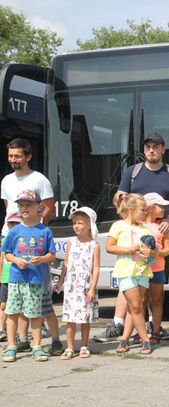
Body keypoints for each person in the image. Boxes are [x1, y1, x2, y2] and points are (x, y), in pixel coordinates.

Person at [94, 131, 169, 343]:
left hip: (159, 232)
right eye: (148, 147)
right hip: (132, 235)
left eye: (155, 146)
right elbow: (120, 196)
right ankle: (118, 324)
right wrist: (121, 201)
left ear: (163, 149)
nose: (151, 150)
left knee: (154, 283)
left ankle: (153, 327)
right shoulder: (132, 171)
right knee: (129, 279)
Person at [1, 138, 62, 356]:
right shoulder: (6, 180)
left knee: (37, 302)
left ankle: (38, 343)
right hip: (11, 241)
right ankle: (18, 341)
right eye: (10, 156)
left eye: (17, 156)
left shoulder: (39, 179)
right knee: (10, 298)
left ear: (28, 156)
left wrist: (34, 232)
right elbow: (9, 209)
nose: (13, 160)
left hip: (34, 248)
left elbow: (49, 208)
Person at [1, 190, 56, 362]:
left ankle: (37, 346)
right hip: (16, 278)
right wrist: (17, 260)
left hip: (35, 280)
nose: (24, 208)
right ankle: (11, 346)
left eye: (28, 205)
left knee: (35, 314)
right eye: (21, 205)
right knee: (12, 312)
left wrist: (41, 259)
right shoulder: (15, 230)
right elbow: (7, 253)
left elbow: (52, 255)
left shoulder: (44, 231)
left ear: (39, 207)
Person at [106, 194, 155, 355]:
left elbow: (154, 251)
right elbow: (109, 247)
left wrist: (151, 252)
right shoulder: (118, 226)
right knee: (135, 306)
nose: (146, 213)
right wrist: (128, 249)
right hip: (126, 270)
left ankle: (125, 339)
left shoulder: (145, 229)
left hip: (142, 270)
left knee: (136, 307)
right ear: (132, 210)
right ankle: (145, 340)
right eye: (143, 210)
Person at [53, 207, 100, 360]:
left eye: (80, 223)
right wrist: (60, 281)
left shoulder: (94, 245)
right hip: (71, 285)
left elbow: (96, 268)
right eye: (74, 223)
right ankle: (70, 347)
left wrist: (93, 288)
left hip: (86, 286)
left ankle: (85, 345)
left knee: (85, 317)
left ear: (89, 225)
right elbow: (66, 263)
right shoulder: (70, 242)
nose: (76, 226)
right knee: (70, 318)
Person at [142, 193, 169, 345]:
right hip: (140, 269)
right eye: (161, 206)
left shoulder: (163, 226)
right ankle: (140, 331)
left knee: (157, 300)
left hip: (158, 268)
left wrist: (158, 253)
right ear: (150, 208)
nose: (164, 209)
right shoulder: (138, 224)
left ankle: (156, 331)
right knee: (141, 300)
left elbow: (168, 249)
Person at [0, 212, 23, 341]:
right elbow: (2, 258)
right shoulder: (4, 240)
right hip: (5, 278)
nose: (13, 226)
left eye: (16, 223)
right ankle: (1, 330)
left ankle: (20, 334)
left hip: (18, 277)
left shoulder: (23, 240)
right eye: (11, 224)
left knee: (18, 308)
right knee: (3, 305)